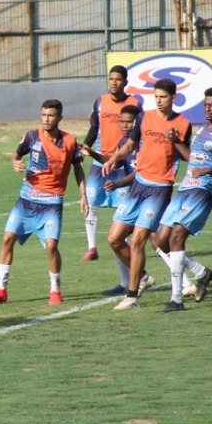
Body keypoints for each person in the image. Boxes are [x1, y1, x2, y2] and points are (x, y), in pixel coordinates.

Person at [0, 100, 88, 307]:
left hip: (51, 203)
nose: (47, 119)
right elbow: (17, 154)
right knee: (7, 238)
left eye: (51, 115)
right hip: (26, 200)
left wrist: (84, 195)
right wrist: (14, 162)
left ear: (60, 118)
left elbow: (78, 169)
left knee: (51, 246)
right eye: (44, 115)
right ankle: (0, 289)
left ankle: (55, 290)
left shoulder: (70, 141)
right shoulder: (32, 136)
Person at [103, 78, 192, 310]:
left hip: (159, 188)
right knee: (114, 238)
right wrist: (114, 158)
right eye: (156, 97)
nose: (159, 101)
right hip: (138, 185)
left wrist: (177, 141)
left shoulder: (183, 123)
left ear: (174, 97)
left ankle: (131, 297)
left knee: (139, 240)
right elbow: (131, 145)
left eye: (163, 97)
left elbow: (187, 156)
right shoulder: (144, 117)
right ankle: (142, 277)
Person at [154, 87, 212, 312]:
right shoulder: (202, 129)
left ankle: (176, 299)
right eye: (205, 105)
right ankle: (202, 273)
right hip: (185, 188)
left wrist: (209, 171)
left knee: (176, 238)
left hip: (203, 191)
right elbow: (193, 157)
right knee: (160, 241)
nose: (207, 109)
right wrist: (176, 142)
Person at [81, 65, 141, 263]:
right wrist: (86, 147)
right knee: (90, 202)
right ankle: (91, 247)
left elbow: (138, 132)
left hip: (123, 163)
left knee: (124, 206)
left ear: (125, 82)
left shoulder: (134, 104)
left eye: (118, 79)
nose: (113, 82)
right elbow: (93, 127)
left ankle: (128, 244)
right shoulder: (101, 101)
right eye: (111, 79)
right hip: (101, 161)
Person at [81, 104, 140, 295]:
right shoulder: (124, 143)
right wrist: (93, 154)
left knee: (160, 241)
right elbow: (116, 160)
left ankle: (187, 281)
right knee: (118, 237)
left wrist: (118, 184)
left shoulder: (145, 142)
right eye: (121, 121)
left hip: (149, 196)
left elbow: (141, 174)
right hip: (135, 195)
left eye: (128, 122)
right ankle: (127, 282)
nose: (124, 125)